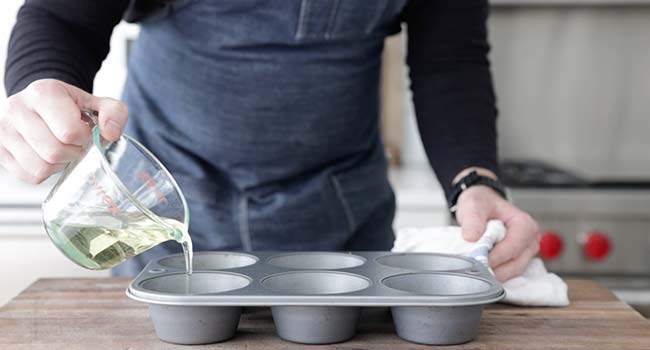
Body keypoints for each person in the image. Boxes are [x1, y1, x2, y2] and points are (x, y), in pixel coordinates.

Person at [1, 0, 539, 280]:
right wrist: (40, 83)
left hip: (340, 221)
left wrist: (474, 179)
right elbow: (61, 18)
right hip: (161, 212)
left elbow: (450, 62)